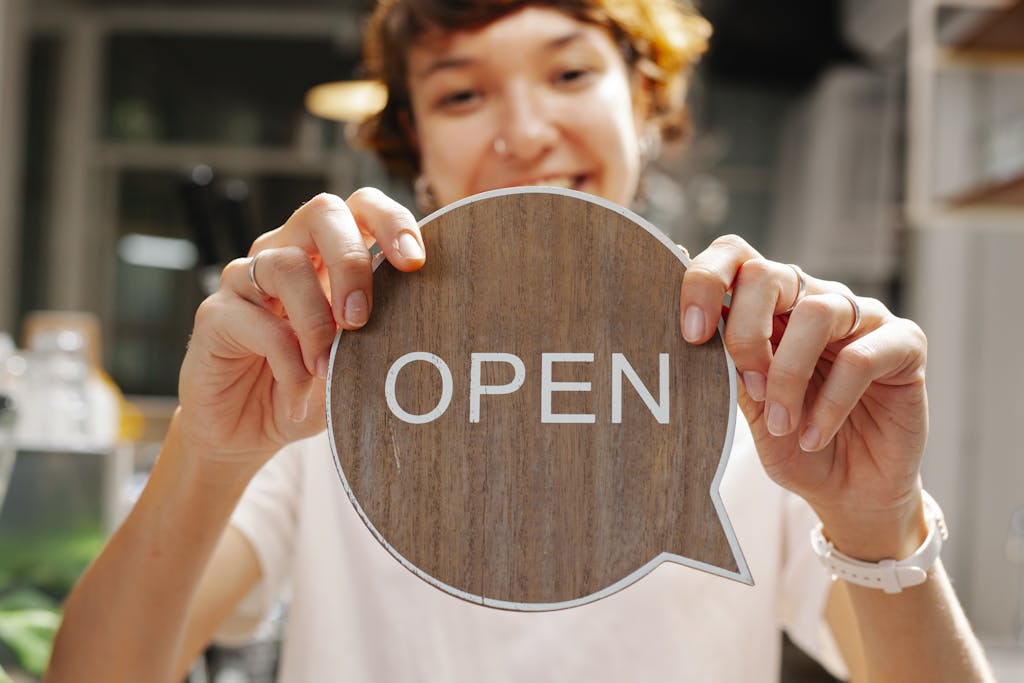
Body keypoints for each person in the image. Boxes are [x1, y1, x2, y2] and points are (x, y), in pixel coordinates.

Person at [46, 1, 995, 681]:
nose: (526, 132)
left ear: (651, 105)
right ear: (415, 151)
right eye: (463, 97)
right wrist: (207, 451)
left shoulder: (764, 391)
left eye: (572, 72)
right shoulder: (332, 378)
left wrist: (879, 523)